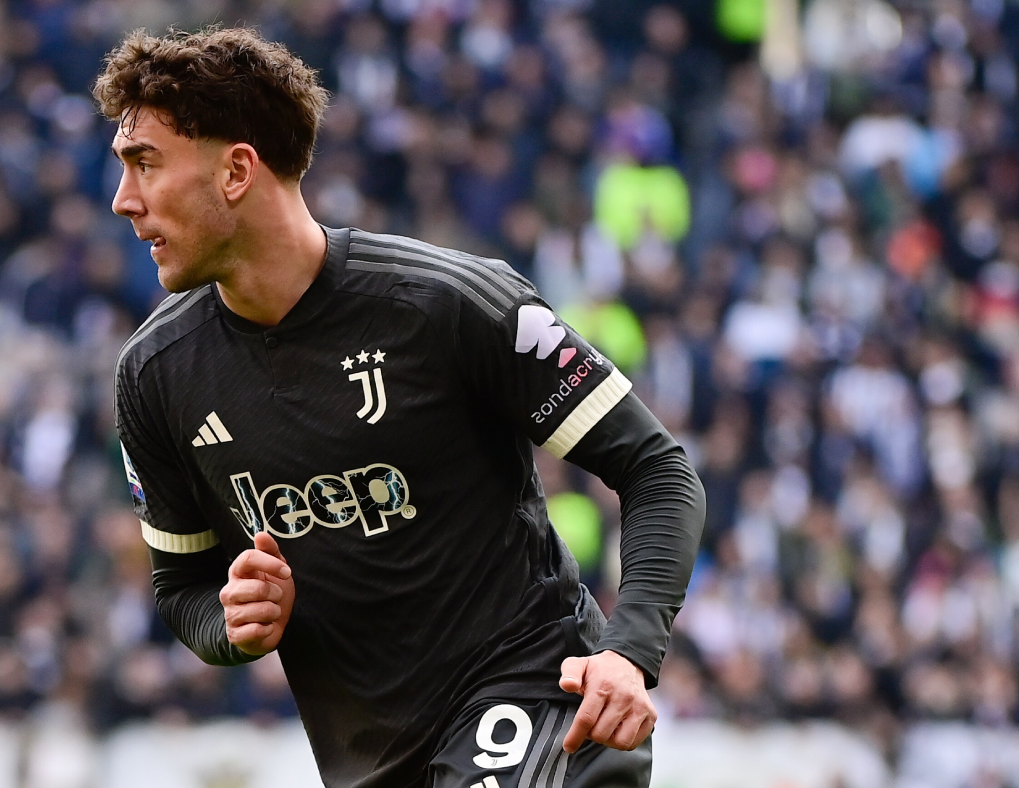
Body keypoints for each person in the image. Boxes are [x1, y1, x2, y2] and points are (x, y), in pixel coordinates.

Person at [98, 28, 704, 788]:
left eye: (145, 163)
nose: (123, 200)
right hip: (371, 760)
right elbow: (181, 587)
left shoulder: (449, 305)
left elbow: (657, 467)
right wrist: (236, 624)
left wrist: (628, 652)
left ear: (237, 171)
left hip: (537, 696)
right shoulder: (154, 376)